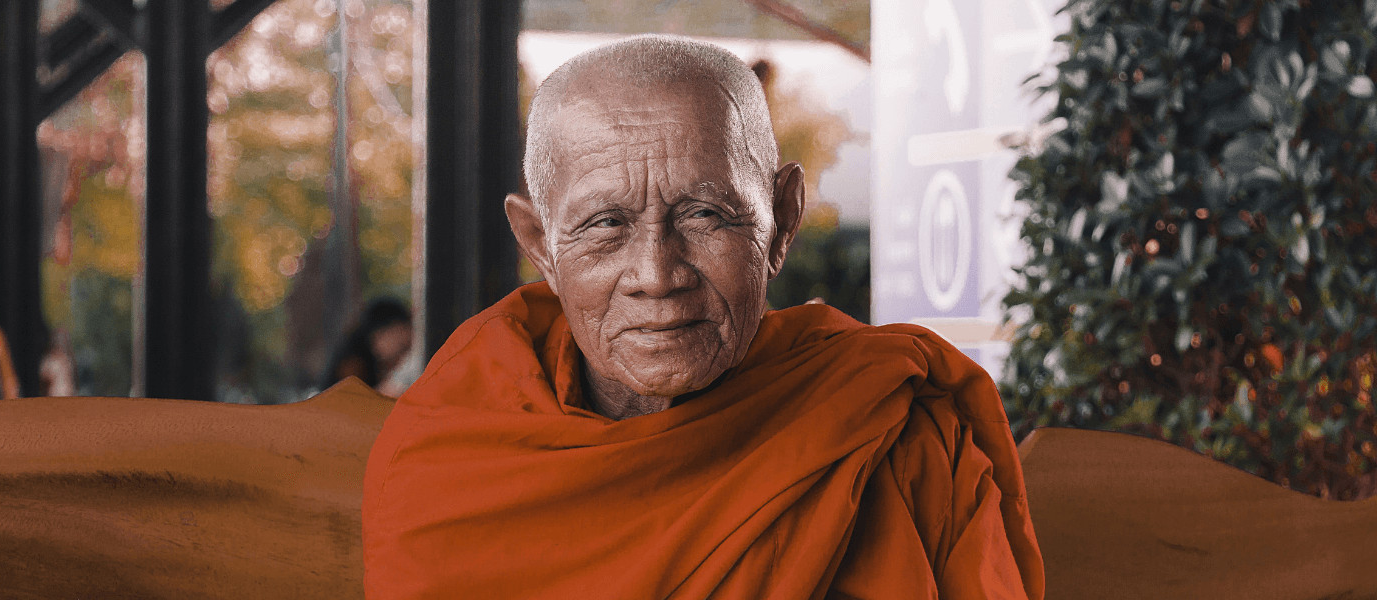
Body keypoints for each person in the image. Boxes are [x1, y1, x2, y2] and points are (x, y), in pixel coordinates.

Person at [363, 35, 1044, 599]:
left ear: (781, 221)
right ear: (540, 243)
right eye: (605, 225)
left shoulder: (889, 425)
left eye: (705, 214)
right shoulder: (454, 452)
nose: (657, 275)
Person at [321, 297, 413, 393]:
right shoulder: (353, 363)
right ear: (380, 335)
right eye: (402, 347)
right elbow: (352, 399)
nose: (403, 357)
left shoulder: (378, 359)